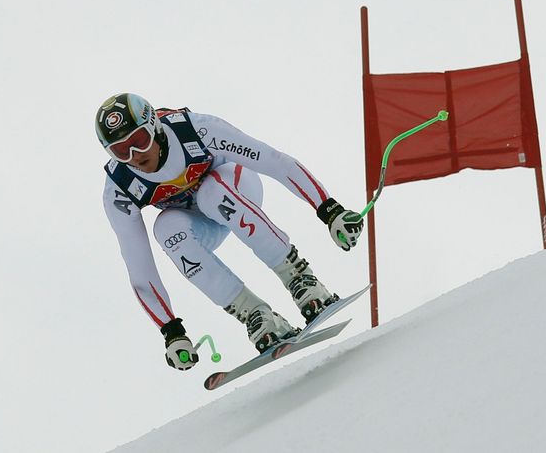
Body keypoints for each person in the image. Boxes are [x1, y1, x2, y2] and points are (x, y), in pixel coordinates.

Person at [97, 93, 364, 371]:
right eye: (120, 151)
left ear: (154, 126)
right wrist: (171, 331)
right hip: (200, 223)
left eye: (139, 141)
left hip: (236, 189)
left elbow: (274, 161)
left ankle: (301, 280)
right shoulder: (119, 187)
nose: (135, 156)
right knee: (165, 228)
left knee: (212, 192)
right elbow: (139, 264)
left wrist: (328, 209)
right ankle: (255, 315)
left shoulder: (195, 130)